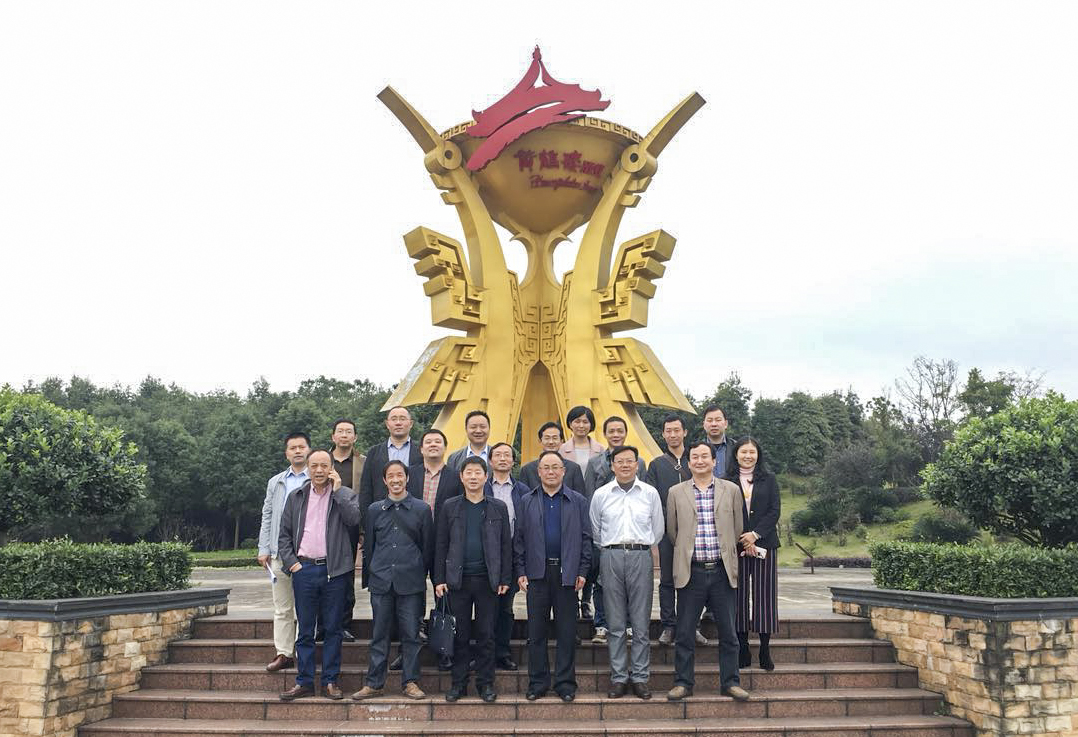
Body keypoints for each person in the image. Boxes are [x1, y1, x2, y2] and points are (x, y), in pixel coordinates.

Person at [665, 441, 750, 702]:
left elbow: (737, 528)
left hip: (722, 571)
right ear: (688, 462)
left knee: (729, 632)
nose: (700, 461)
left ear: (714, 461)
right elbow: (673, 532)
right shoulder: (676, 492)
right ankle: (683, 682)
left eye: (705, 456)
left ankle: (730, 682)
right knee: (684, 632)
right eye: (695, 457)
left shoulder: (731, 490)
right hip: (691, 571)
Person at [276, 449, 360, 701]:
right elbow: (284, 535)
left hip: (334, 571)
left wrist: (338, 492)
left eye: (324, 465)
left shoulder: (345, 495)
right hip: (304, 570)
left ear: (332, 468)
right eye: (314, 466)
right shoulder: (296, 497)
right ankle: (304, 681)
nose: (319, 470)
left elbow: (354, 520)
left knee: (333, 628)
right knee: (305, 630)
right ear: (308, 468)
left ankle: (330, 681)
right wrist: (293, 564)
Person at [514, 450, 592, 702]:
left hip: (567, 573)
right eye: (545, 467)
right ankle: (537, 683)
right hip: (537, 573)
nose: (550, 472)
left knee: (566, 632)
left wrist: (582, 571)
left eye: (555, 467)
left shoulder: (577, 501)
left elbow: (586, 539)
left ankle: (565, 684)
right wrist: (521, 571)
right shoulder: (526, 500)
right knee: (536, 633)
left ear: (563, 471)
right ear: (538, 472)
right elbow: (519, 539)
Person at [353, 461, 434, 701]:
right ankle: (374, 683)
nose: (396, 480)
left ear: (407, 479)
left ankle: (410, 682)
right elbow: (370, 546)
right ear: (384, 480)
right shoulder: (374, 510)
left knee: (411, 634)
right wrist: (372, 574)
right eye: (391, 476)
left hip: (411, 581)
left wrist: (419, 571)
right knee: (379, 634)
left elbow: (428, 547)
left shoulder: (421, 509)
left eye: (400, 475)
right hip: (381, 581)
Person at [434, 457, 513, 703]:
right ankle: (458, 684)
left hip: (488, 580)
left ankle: (485, 683)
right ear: (461, 477)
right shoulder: (450, 506)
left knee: (486, 634)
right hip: (457, 580)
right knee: (460, 635)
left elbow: (505, 545)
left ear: (485, 477)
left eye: (478, 472)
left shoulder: (498, 507)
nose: (473, 477)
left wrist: (505, 577)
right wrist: (439, 578)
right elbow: (441, 544)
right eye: (468, 472)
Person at [589, 445, 664, 700]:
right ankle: (619, 677)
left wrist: (639, 548)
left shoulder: (650, 493)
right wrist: (612, 549)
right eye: (619, 461)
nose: (624, 465)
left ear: (637, 464)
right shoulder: (601, 494)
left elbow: (658, 529)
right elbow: (596, 530)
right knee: (615, 622)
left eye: (629, 461)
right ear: (612, 465)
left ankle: (640, 677)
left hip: (641, 555)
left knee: (641, 623)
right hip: (610, 555)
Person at [583, 415, 647, 643]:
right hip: (604, 531)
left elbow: (644, 495)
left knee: (630, 583)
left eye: (620, 430)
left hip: (631, 530)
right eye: (611, 431)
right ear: (605, 434)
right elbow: (589, 497)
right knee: (602, 580)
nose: (616, 434)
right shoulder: (595, 463)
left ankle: (628, 624)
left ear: (626, 433)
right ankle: (601, 624)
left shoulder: (639, 462)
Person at [645, 416, 707, 647]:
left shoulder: (695, 460)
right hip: (667, 532)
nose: (672, 435)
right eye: (668, 431)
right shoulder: (657, 465)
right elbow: (653, 499)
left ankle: (693, 626)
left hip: (697, 532)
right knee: (667, 580)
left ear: (684, 432)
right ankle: (669, 625)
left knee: (695, 580)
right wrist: (672, 522)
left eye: (676, 430)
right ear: (663, 434)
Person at [725, 436, 781, 671]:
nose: (748, 456)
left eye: (752, 452)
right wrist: (743, 537)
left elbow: (774, 511)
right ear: (736, 454)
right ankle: (743, 647)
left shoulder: (769, 479)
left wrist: (755, 535)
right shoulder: (726, 480)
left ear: (758, 455)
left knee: (764, 596)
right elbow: (724, 512)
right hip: (737, 546)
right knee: (737, 596)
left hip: (764, 544)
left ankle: (765, 649)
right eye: (743, 452)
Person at [258, 432, 310, 672]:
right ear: (286, 453)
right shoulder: (276, 482)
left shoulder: (317, 477)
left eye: (301, 447)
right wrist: (264, 548)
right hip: (279, 552)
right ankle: (284, 653)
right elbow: (267, 515)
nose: (297, 451)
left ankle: (303, 652)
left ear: (308, 450)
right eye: (293, 448)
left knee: (307, 607)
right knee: (282, 607)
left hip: (308, 553)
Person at [484, 442, 530, 671]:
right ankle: (484, 654)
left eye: (507, 455)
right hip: (484, 555)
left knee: (505, 608)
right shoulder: (481, 486)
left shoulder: (523, 490)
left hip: (511, 555)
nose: (502, 459)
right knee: (485, 607)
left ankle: (502, 652)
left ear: (513, 461)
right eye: (498, 455)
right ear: (490, 461)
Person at [329, 418, 370, 642]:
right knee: (323, 575)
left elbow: (367, 497)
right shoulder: (322, 461)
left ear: (355, 437)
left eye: (349, 432)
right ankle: (323, 624)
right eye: (340, 431)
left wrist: (363, 530)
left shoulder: (363, 463)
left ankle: (344, 624)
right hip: (324, 525)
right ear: (333, 436)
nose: (344, 435)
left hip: (351, 524)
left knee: (346, 576)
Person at [520, 422, 585, 493]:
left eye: (555, 438)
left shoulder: (574, 468)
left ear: (562, 441)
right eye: (547, 438)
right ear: (540, 441)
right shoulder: (527, 470)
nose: (551, 442)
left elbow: (580, 496)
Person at [702, 405, 734, 479]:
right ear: (704, 425)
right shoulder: (695, 449)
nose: (714, 424)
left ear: (726, 424)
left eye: (718, 420)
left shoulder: (736, 448)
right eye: (710, 420)